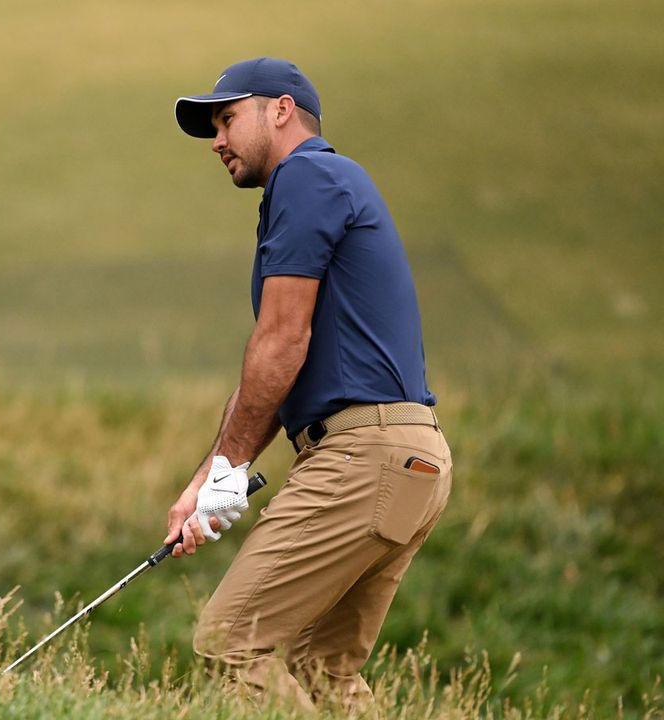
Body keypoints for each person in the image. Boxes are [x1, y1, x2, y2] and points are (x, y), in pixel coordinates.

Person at [163, 57, 453, 711]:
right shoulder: (321, 185)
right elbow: (278, 365)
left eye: (228, 119)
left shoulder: (308, 175)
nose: (217, 140)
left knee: (231, 640)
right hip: (410, 461)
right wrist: (208, 477)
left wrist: (232, 468)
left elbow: (280, 343)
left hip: (364, 458)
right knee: (324, 673)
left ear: (282, 111)